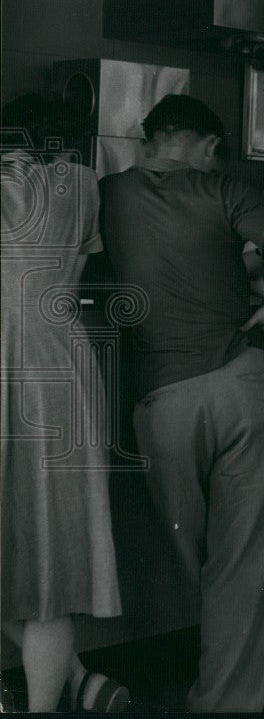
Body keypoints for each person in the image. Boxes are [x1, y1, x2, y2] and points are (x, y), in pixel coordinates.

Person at [99, 95, 264, 712]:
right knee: (241, 557)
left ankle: (239, 693)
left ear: (151, 140)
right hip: (244, 385)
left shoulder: (107, 194)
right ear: (207, 144)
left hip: (163, 401)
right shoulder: (224, 188)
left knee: (201, 557)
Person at [1, 95, 128, 712]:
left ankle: (68, 685)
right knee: (50, 561)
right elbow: (77, 276)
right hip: (62, 370)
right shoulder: (82, 184)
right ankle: (71, 685)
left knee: (16, 557)